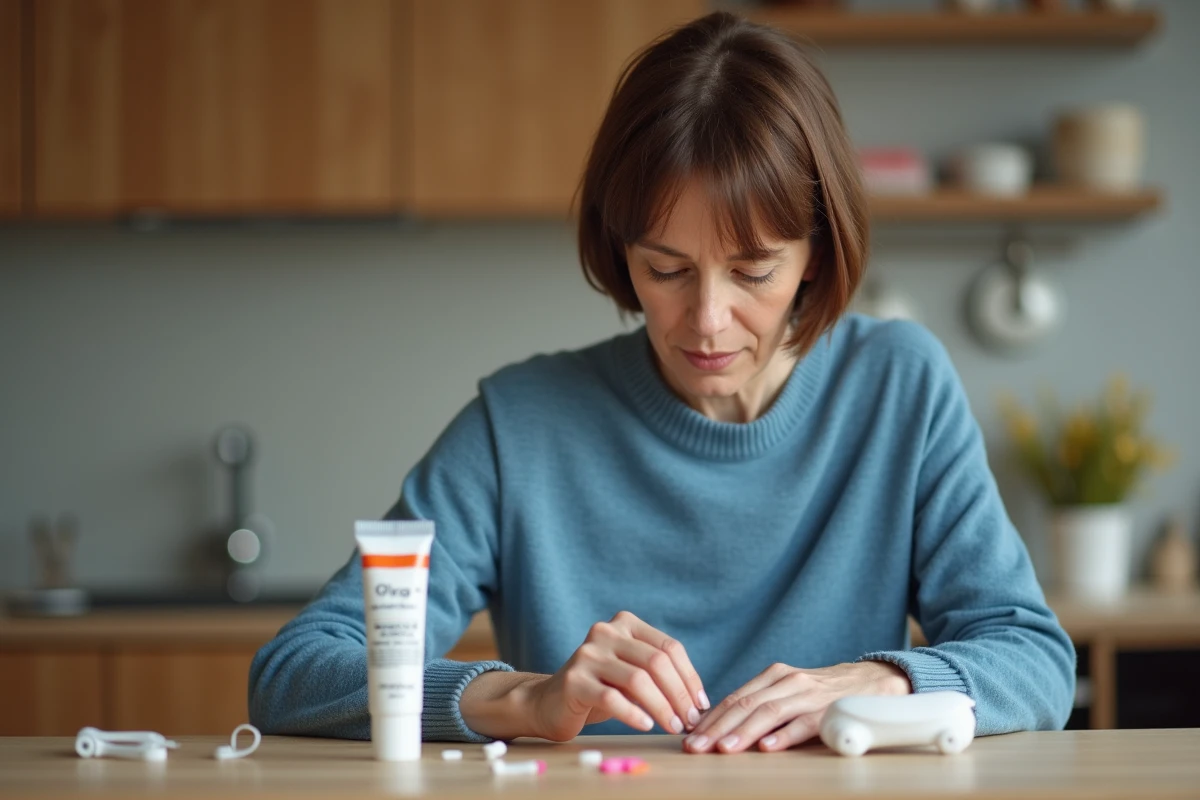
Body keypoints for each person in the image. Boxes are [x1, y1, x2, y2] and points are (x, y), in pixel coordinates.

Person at [249, 11, 1075, 754]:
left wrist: (874, 680)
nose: (707, 320)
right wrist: (525, 699)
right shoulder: (522, 425)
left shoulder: (900, 387)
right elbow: (295, 670)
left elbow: (1033, 658)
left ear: (814, 254)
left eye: (753, 272)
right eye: (667, 268)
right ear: (621, 253)